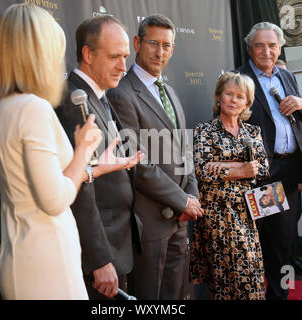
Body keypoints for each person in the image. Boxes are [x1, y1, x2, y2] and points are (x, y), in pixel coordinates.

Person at [0, 4, 104, 299]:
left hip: (17, 256)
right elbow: (54, 200)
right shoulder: (32, 108)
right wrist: (83, 151)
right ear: (37, 53)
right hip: (49, 263)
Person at [108, 14, 203, 300]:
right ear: (137, 43)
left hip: (180, 219)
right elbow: (137, 161)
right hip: (149, 222)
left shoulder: (170, 91)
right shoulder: (121, 94)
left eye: (167, 45)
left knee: (174, 295)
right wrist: (181, 200)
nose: (160, 52)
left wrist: (192, 196)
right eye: (153, 43)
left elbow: (185, 150)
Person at [56, 15, 143, 299]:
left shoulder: (97, 95)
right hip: (99, 254)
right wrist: (99, 260)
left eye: (126, 56)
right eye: (114, 56)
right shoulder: (73, 103)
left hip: (117, 242)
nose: (123, 66)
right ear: (88, 54)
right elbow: (80, 185)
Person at [236, 22, 302, 299]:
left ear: (280, 48)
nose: (266, 51)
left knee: (285, 241)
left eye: (272, 45)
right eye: (259, 45)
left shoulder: (286, 76)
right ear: (249, 48)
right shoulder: (239, 79)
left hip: (290, 171)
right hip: (263, 174)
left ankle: (281, 295)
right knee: (264, 241)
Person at [189, 72, 268, 300]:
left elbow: (262, 168)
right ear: (219, 97)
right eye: (229, 94)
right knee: (223, 279)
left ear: (247, 102)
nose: (234, 100)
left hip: (246, 213)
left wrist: (223, 166)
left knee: (251, 274)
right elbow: (203, 170)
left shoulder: (253, 132)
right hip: (216, 215)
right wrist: (241, 169)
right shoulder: (205, 130)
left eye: (240, 96)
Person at [275, 59, 302, 276]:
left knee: (290, 225)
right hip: (270, 179)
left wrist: (301, 175)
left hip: (292, 177)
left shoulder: (297, 108)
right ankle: (278, 272)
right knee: (276, 231)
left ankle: (290, 264)